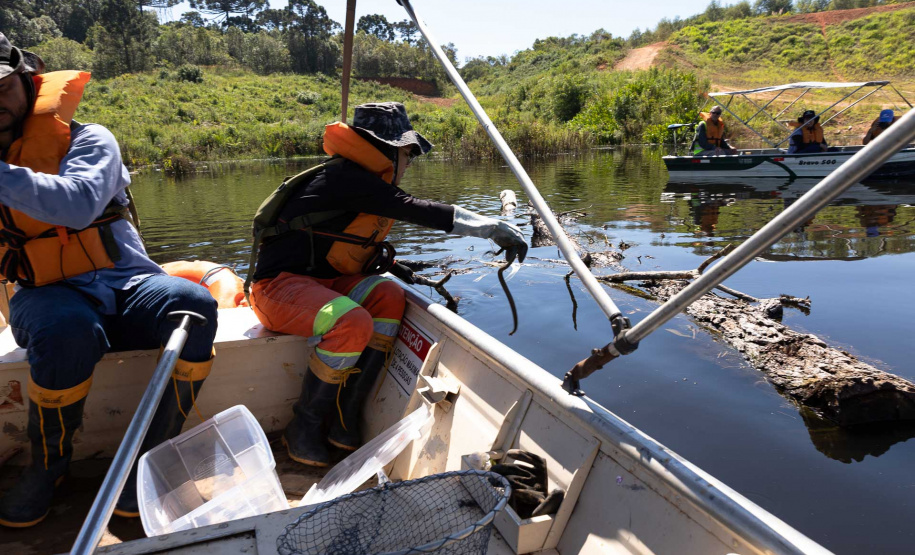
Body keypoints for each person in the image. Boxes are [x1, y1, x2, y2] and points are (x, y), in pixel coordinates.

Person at [0, 33, 218, 527]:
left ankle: (149, 459)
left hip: (128, 287)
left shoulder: (90, 138)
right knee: (64, 330)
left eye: (1, 86)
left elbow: (75, 204)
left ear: (27, 81)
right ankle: (48, 467)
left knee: (194, 303)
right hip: (46, 297)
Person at [250, 102, 528, 467]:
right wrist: (491, 227)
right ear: (387, 150)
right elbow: (414, 208)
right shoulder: (346, 178)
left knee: (388, 295)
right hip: (277, 290)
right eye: (407, 153)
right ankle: (304, 426)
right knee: (352, 321)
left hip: (325, 282)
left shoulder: (358, 181)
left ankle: (344, 417)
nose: (409, 162)